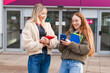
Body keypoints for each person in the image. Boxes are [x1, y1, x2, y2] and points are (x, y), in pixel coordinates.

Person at [22, 3, 58, 73]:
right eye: (42, 13)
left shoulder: (47, 25)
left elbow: (55, 40)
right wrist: (42, 44)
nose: (44, 16)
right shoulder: (29, 25)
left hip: (47, 56)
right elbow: (26, 44)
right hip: (35, 56)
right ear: (37, 13)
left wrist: (48, 42)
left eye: (45, 14)